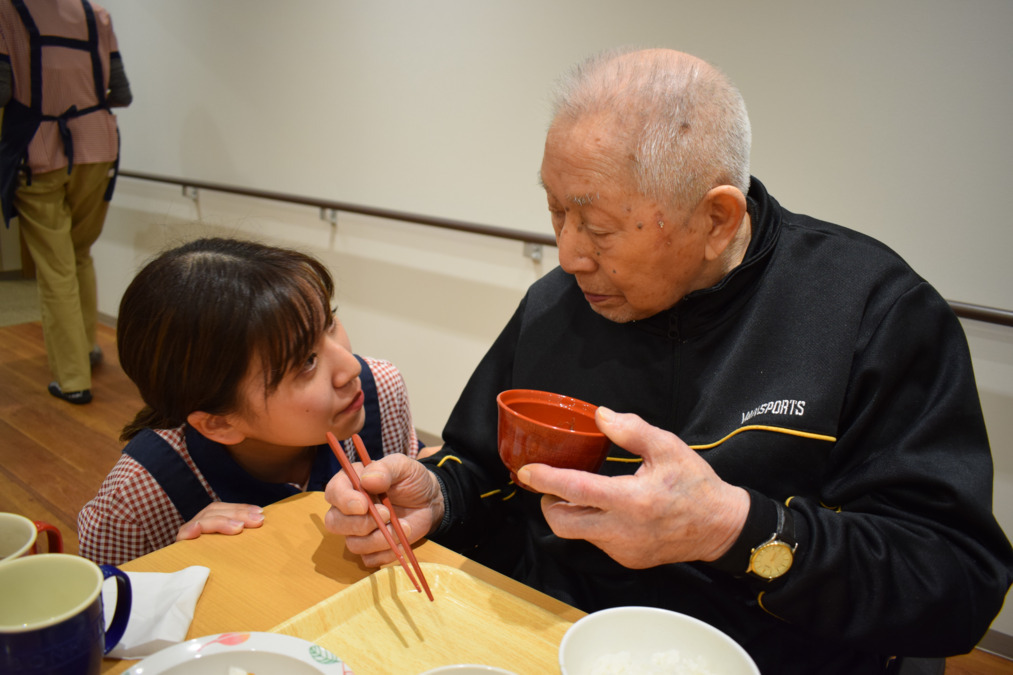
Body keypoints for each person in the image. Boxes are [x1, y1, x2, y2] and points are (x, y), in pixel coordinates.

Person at [323, 48, 1013, 673]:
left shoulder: (870, 312)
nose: (568, 255)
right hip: (555, 641)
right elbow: (481, 466)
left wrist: (732, 528)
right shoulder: (555, 305)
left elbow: (953, 581)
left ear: (715, 219)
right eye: (555, 211)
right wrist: (438, 493)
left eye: (596, 227)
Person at [78, 237, 422, 566]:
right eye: (305, 361)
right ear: (220, 423)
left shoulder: (380, 389)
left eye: (330, 323)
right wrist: (178, 575)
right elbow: (106, 619)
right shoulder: (134, 501)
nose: (350, 366)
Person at [0, 0, 132, 405]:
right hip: (98, 145)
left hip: (39, 150)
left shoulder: (8, 11)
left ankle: (72, 378)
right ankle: (88, 346)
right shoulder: (97, 14)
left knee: (55, 267)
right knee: (78, 253)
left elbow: (3, 90)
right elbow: (121, 93)